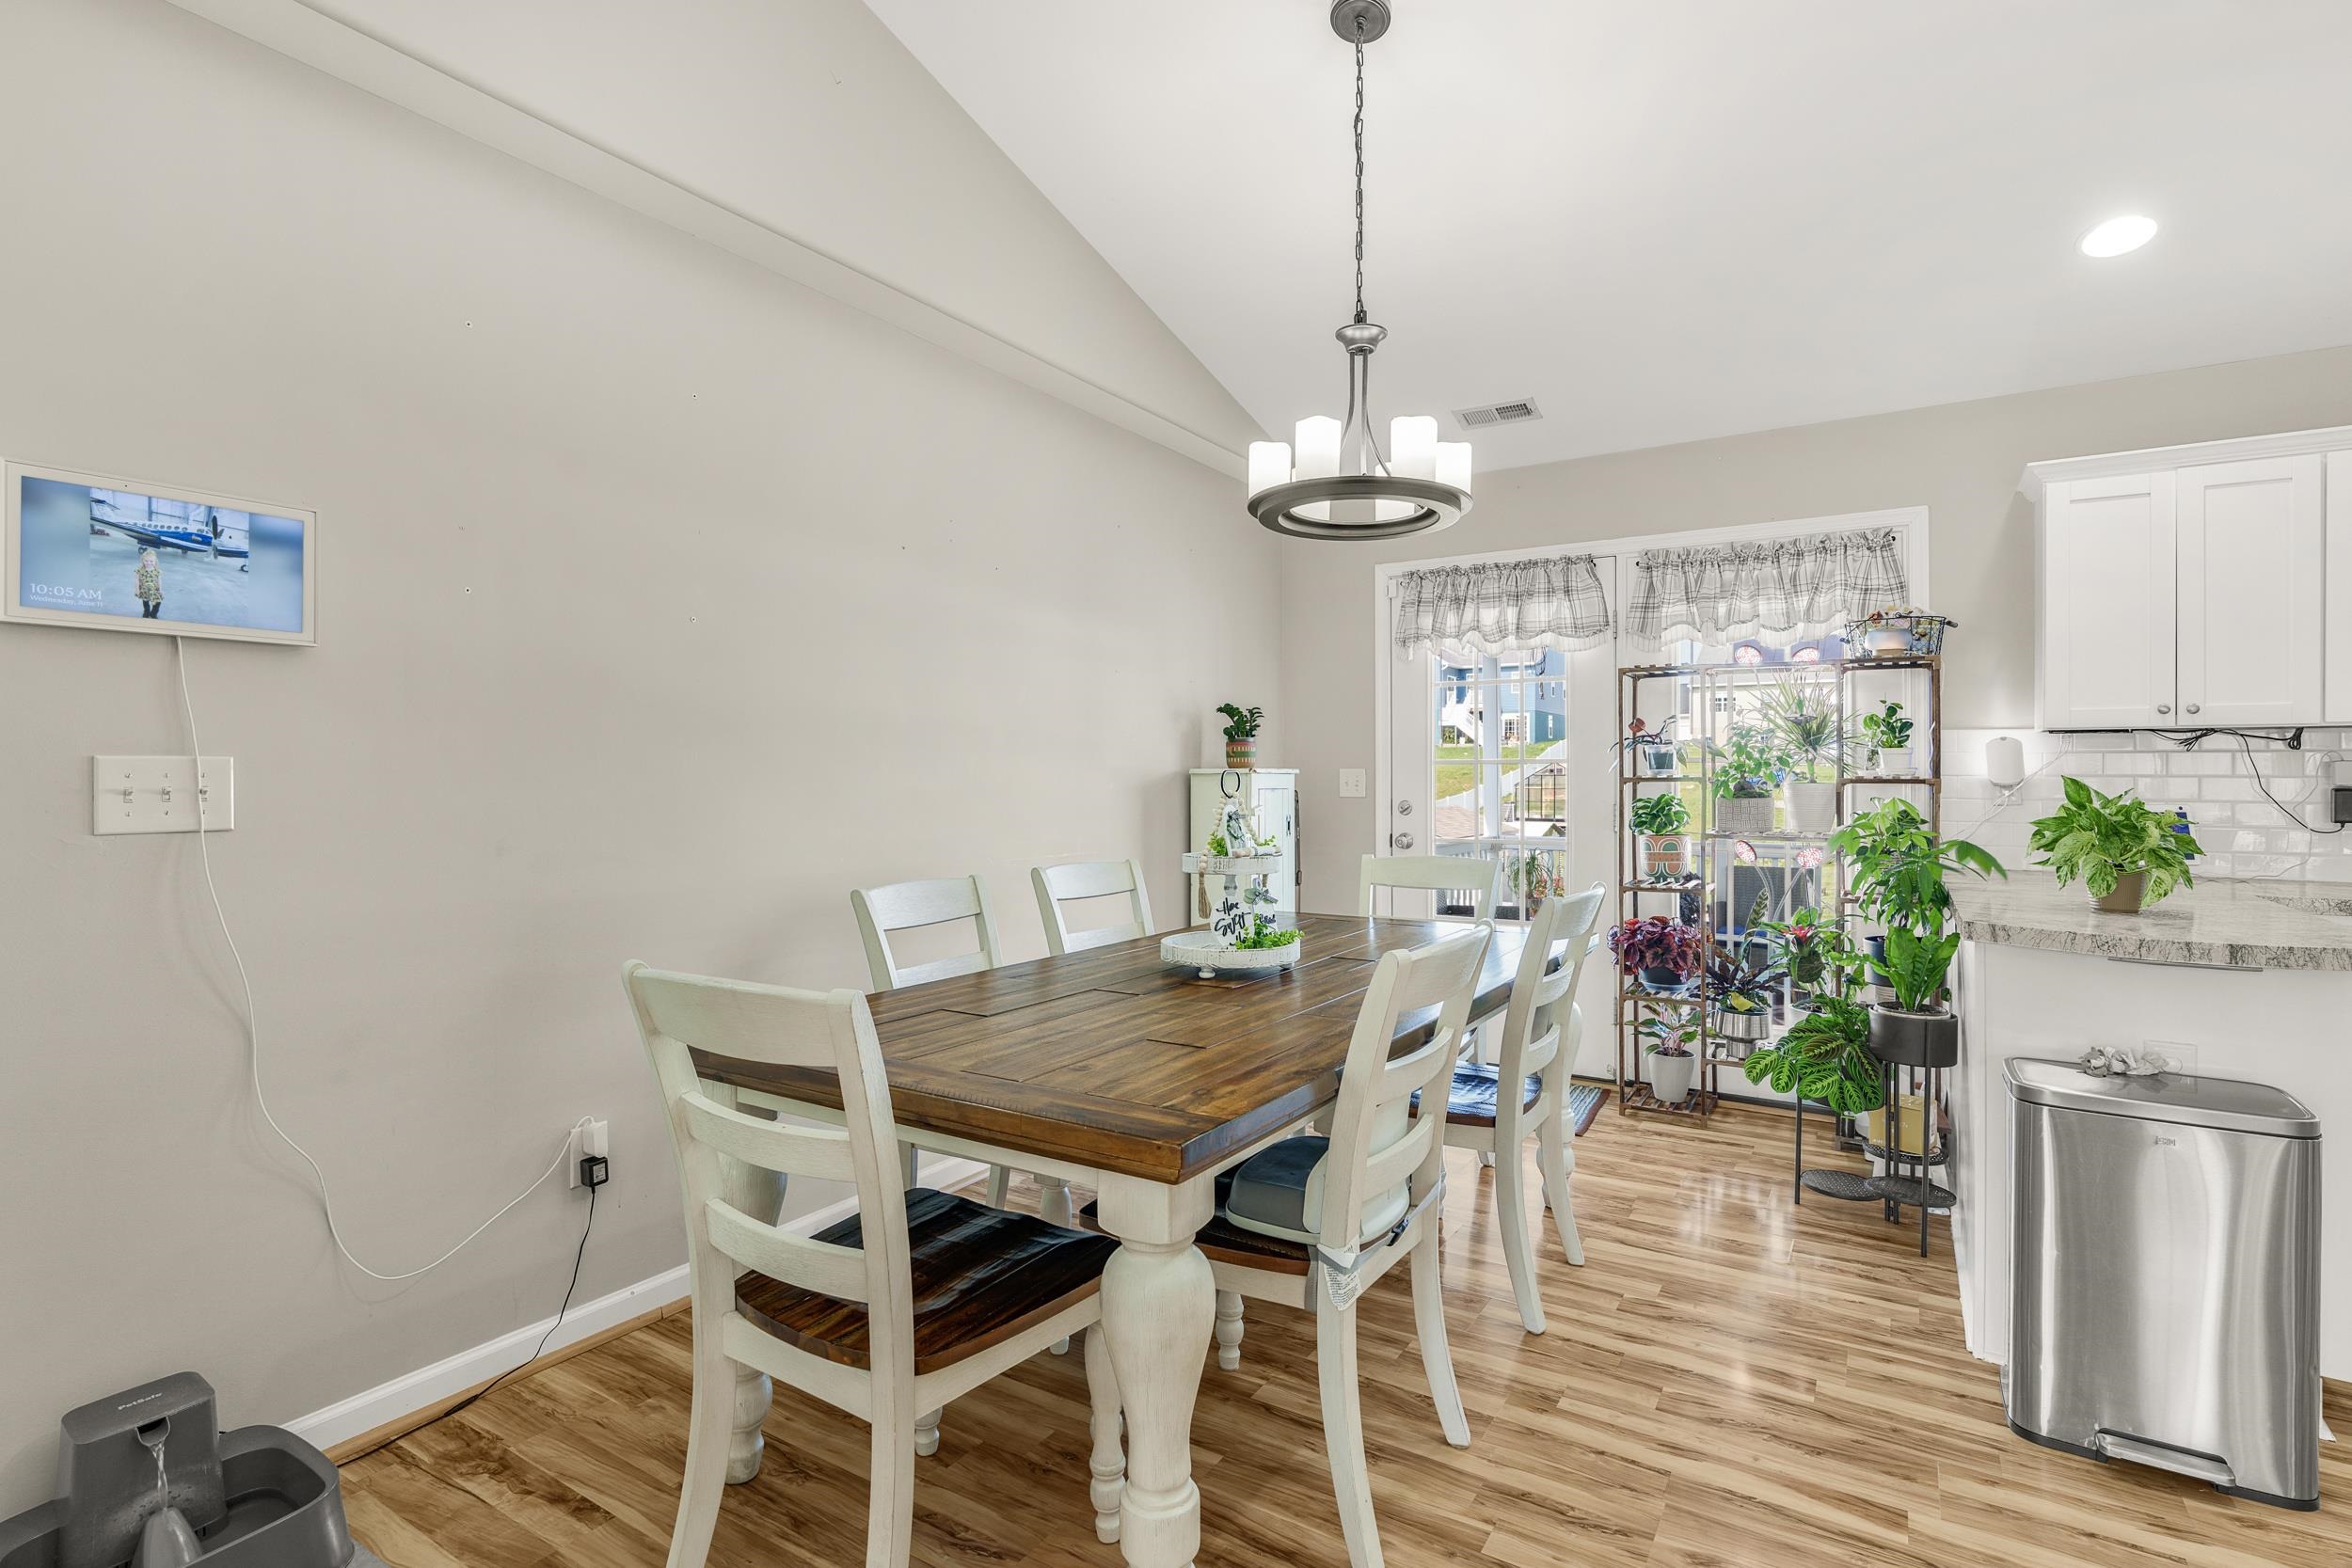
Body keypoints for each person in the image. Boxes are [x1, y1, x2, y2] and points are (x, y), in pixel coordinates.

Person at [135, 548, 163, 619]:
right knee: (145, 601)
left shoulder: (157, 571)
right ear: (143, 561)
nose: (149, 563)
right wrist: (137, 589)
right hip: (144, 590)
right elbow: (137, 580)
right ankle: (146, 612)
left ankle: (153, 613)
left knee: (158, 602)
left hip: (154, 590)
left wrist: (160, 590)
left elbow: (159, 581)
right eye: (146, 561)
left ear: (155, 562)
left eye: (151, 561)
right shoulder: (140, 570)